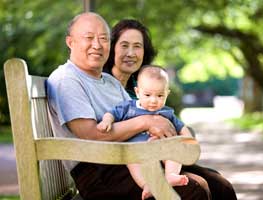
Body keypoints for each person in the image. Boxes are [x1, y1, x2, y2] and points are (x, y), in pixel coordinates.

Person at [47, 12, 211, 200]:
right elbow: (91, 135)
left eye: (103, 39)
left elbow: (135, 113)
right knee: (194, 188)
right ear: (71, 42)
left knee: (219, 185)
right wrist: (146, 122)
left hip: (133, 156)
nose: (97, 45)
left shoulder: (109, 81)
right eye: (89, 38)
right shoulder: (67, 80)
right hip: (100, 171)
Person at [103, 18, 238, 200]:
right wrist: (148, 123)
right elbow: (106, 131)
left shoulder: (145, 81)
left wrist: (180, 138)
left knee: (221, 185)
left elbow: (169, 120)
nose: (131, 53)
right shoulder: (104, 84)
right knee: (198, 186)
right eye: (124, 45)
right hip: (129, 162)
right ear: (112, 48)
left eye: (137, 46)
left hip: (162, 155)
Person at [98, 65, 192, 199]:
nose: (153, 100)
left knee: (175, 150)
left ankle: (170, 175)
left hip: (161, 148)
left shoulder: (166, 112)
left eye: (160, 95)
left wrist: (188, 139)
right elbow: (111, 114)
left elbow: (181, 127)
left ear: (167, 94)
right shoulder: (128, 107)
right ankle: (146, 185)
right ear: (137, 92)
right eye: (147, 95)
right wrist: (106, 121)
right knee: (132, 162)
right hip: (137, 151)